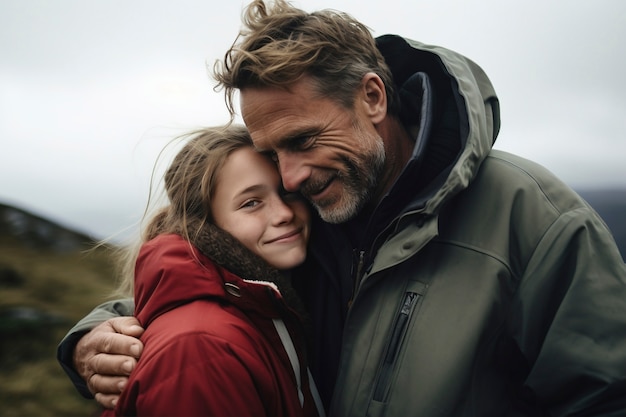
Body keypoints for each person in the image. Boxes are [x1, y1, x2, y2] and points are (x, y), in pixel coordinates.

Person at [59, 0, 626, 415]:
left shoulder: (536, 219)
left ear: (373, 96)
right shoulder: (308, 213)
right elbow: (209, 284)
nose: (290, 177)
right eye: (270, 154)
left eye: (304, 141)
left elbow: (603, 397)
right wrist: (95, 334)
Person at [96, 124, 324, 416]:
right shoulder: (200, 347)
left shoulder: (268, 304)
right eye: (251, 203)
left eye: (287, 193)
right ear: (205, 224)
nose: (284, 214)